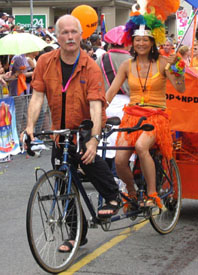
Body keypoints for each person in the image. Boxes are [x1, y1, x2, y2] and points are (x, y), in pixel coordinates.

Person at [20, 14, 120, 252]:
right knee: (64, 185)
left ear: (80, 35)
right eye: (64, 32)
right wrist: (30, 127)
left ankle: (113, 196)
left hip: (85, 126)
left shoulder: (90, 66)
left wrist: (94, 139)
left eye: (73, 32)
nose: (69, 36)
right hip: (60, 132)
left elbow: (96, 105)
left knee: (89, 157)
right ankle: (76, 234)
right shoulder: (45, 62)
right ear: (57, 35)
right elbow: (37, 97)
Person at [106, 10, 185, 209]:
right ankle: (132, 193)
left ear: (153, 42)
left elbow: (180, 88)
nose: (141, 43)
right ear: (131, 42)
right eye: (137, 40)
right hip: (131, 118)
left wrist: (178, 69)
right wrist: (97, 112)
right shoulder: (126, 65)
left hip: (156, 117)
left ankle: (152, 195)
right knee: (119, 159)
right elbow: (110, 92)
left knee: (141, 147)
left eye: (145, 40)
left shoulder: (164, 63)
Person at [96, 25, 131, 174]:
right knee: (123, 146)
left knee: (104, 143)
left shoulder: (101, 59)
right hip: (126, 105)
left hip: (105, 103)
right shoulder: (132, 60)